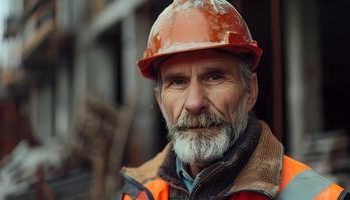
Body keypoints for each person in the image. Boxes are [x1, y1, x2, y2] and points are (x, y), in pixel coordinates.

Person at [120, 0, 349, 199]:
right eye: (178, 82)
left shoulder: (315, 196)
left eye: (214, 76)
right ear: (160, 101)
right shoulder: (140, 192)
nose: (194, 103)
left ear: (250, 91)